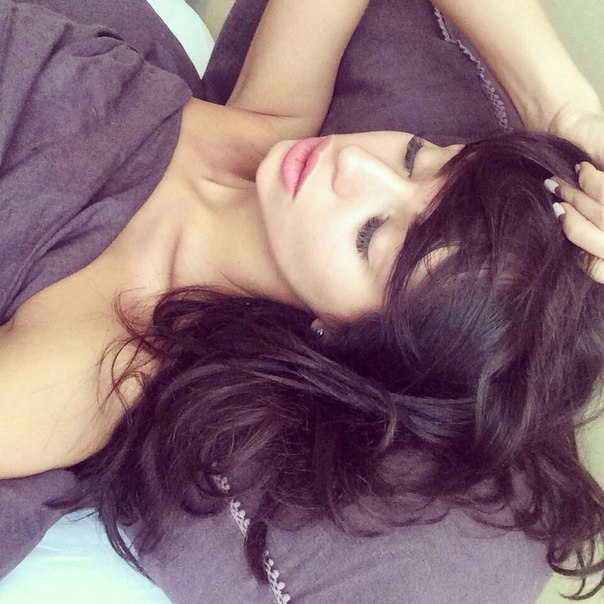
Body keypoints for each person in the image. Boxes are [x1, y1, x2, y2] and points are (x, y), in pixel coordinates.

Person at [1, 0, 604, 601]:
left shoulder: (100, 358)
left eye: (370, 234)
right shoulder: (270, 120)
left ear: (342, 335)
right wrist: (567, 110)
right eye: (415, 157)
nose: (356, 163)